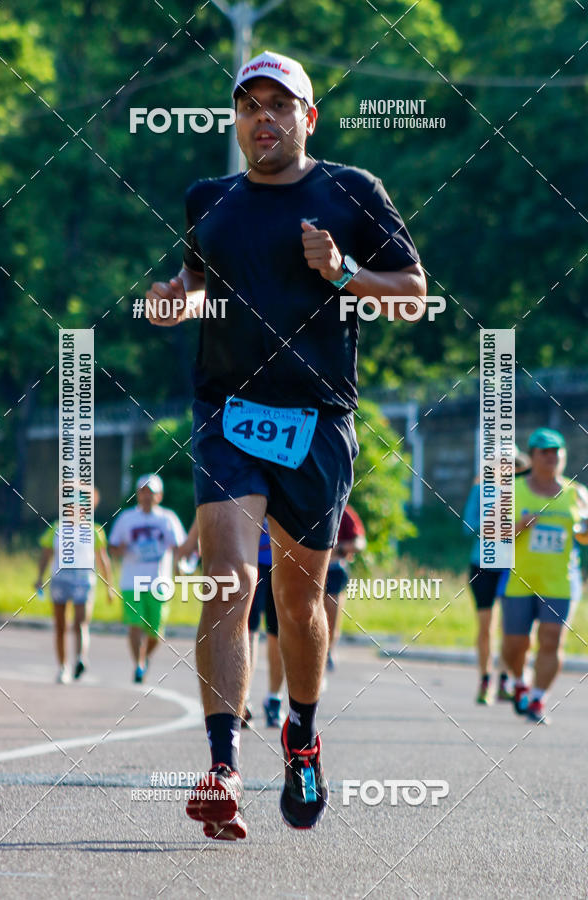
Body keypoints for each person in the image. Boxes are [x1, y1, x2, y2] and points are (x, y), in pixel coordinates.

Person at [146, 49, 425, 839]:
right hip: (227, 413)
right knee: (228, 578)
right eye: (249, 106)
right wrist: (173, 304)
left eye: (279, 105)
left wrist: (343, 274)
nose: (262, 119)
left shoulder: (351, 192)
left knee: (300, 603)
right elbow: (194, 288)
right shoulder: (210, 200)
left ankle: (301, 734)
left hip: (316, 419)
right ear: (236, 119)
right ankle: (222, 766)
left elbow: (413, 292)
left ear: (308, 117)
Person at [501, 428, 588, 724]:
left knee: (551, 640)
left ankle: (538, 699)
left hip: (559, 580)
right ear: (533, 456)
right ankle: (518, 680)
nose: (552, 457)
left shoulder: (577, 493)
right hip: (519, 579)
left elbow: (586, 536)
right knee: (515, 644)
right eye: (545, 452)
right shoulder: (512, 490)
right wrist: (519, 526)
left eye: (557, 452)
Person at [462, 446, 530, 704]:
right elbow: (468, 527)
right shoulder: (480, 491)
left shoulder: (523, 493)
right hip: (482, 566)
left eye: (511, 464)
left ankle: (504, 681)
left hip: (512, 567)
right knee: (486, 627)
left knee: (510, 627)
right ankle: (484, 681)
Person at [108, 474, 186, 682]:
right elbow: (112, 546)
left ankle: (145, 656)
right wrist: (120, 549)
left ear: (159, 496)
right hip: (132, 581)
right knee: (135, 624)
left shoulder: (168, 519)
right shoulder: (126, 518)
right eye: (142, 491)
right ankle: (139, 664)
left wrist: (180, 565)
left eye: (150, 492)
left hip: (159, 583)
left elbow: (180, 547)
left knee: (156, 632)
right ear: (137, 494)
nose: (146, 496)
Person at [35, 486, 114, 683]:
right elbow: (46, 555)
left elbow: (103, 560)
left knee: (81, 622)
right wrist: (39, 577)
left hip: (84, 580)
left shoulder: (94, 530)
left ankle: (81, 658)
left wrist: (109, 586)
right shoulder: (56, 528)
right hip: (60, 580)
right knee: (61, 625)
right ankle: (63, 667)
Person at [243, 517, 285, 728]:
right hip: (252, 564)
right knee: (248, 631)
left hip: (282, 564)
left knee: (277, 634)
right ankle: (244, 698)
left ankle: (274, 698)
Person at [324, 503, 366, 671]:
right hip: (308, 570)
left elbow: (360, 543)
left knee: (331, 611)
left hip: (334, 569)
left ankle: (329, 650)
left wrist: (339, 548)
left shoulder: (344, 511)